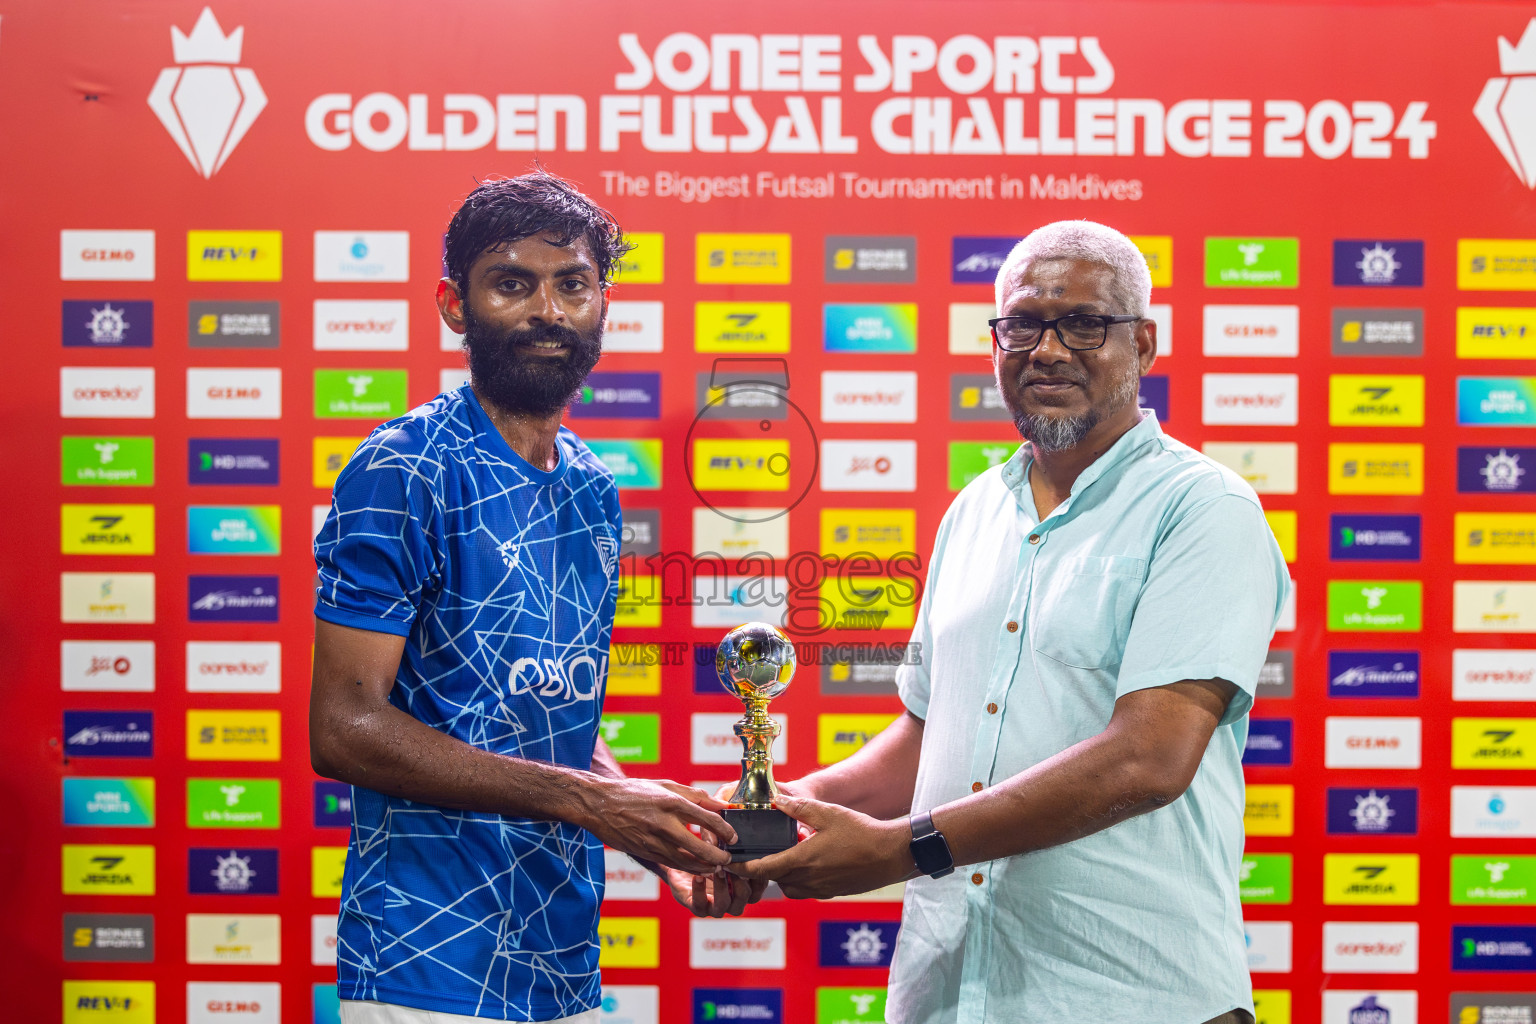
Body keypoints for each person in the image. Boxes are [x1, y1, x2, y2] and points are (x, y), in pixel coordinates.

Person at [733, 220, 1287, 1024]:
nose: (1048, 350)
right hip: (952, 992)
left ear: (1146, 345)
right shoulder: (974, 511)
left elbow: (1150, 759)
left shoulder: (1203, 510)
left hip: (1131, 996)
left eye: (1084, 324)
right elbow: (929, 737)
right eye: (1023, 324)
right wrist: (791, 809)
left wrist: (900, 848)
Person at [310, 172, 751, 1024]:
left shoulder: (592, 486)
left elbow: (540, 720)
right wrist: (595, 805)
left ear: (602, 302)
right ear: (454, 304)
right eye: (513, 283)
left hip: (562, 963)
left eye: (572, 284)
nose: (548, 309)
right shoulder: (403, 469)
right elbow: (344, 727)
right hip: (426, 965)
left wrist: (654, 834)